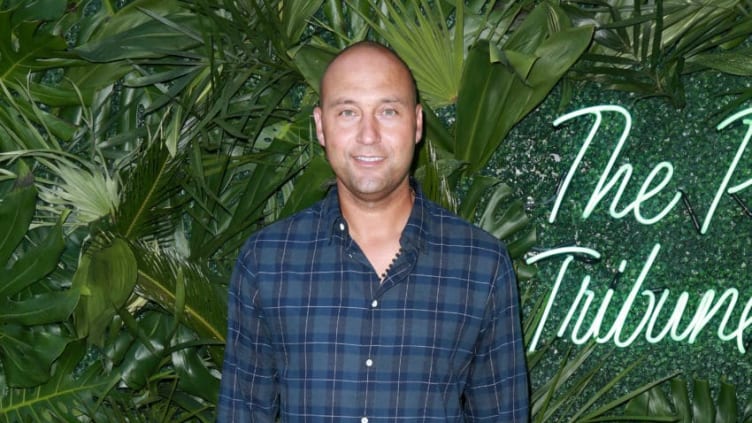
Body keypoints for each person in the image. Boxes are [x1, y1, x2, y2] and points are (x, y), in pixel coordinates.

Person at [218, 40, 529, 422]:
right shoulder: (266, 261)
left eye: (388, 111)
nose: (368, 134)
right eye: (348, 112)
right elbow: (242, 413)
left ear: (416, 124)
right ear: (320, 126)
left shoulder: (482, 265)